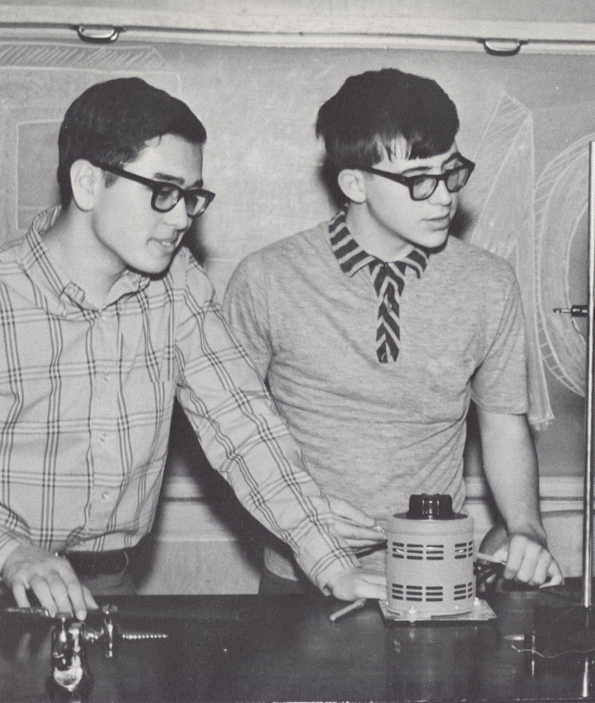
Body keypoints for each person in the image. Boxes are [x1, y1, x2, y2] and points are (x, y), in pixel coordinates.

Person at [0, 78, 386, 621]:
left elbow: (244, 427)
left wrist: (333, 563)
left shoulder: (177, 285)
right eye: (162, 191)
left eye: (191, 196)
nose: (181, 218)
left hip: (109, 586)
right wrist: (10, 552)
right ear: (88, 182)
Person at [222, 68, 561, 592]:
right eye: (419, 180)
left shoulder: (489, 283)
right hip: (301, 578)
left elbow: (503, 426)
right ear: (355, 183)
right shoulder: (268, 278)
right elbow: (230, 430)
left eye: (451, 173)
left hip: (436, 573)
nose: (444, 198)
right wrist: (299, 516)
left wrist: (527, 528)